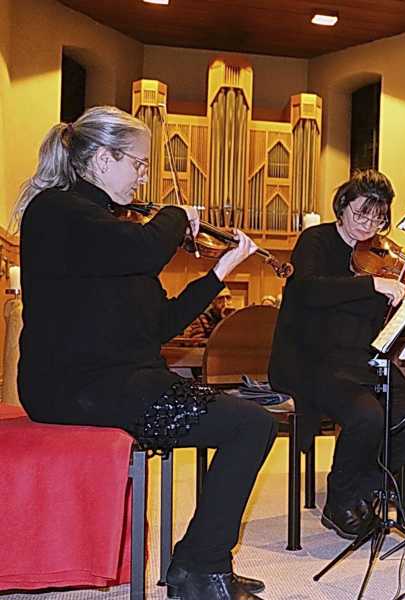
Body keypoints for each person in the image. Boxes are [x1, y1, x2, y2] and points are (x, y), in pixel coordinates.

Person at [14, 106, 277, 600]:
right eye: (138, 163)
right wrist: (176, 217)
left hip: (121, 378)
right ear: (102, 159)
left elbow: (161, 323)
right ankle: (199, 568)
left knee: (254, 419)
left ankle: (199, 563)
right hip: (75, 386)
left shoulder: (114, 229)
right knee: (250, 424)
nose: (143, 175)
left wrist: (219, 273)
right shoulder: (58, 211)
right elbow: (142, 248)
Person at [269, 169, 405, 539]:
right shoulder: (316, 241)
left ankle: (362, 489)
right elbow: (308, 291)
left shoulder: (379, 256)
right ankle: (339, 501)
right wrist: (371, 284)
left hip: (360, 360)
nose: (369, 225)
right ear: (342, 207)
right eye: (362, 214)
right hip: (311, 359)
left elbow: (379, 324)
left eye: (378, 219)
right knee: (366, 415)